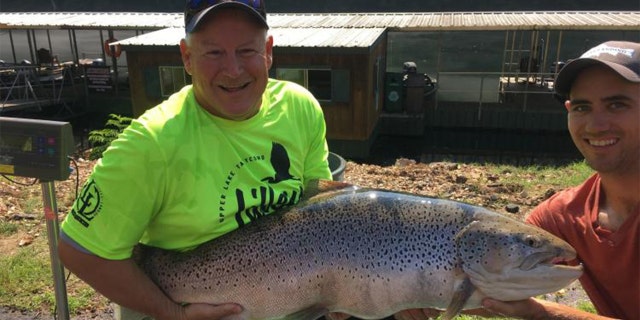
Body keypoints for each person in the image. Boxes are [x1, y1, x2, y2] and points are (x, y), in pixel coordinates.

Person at [58, 1, 332, 320]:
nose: (233, 70)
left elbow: (320, 212)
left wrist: (340, 292)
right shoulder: (152, 143)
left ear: (268, 51)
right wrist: (173, 313)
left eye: (246, 51)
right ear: (187, 58)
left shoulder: (300, 108)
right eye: (213, 53)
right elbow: (79, 250)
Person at [396, 41, 640, 320]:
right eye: (583, 108)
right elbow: (490, 270)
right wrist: (411, 289)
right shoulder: (560, 217)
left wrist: (543, 313)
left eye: (617, 104)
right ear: (569, 110)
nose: (596, 125)